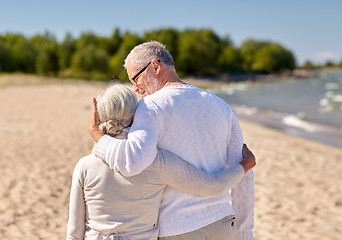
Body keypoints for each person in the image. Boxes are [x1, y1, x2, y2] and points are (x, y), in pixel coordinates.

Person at [89, 41, 255, 240]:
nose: (136, 89)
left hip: (179, 227)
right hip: (223, 222)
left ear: (155, 66)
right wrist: (245, 232)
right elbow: (243, 173)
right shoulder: (220, 105)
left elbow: (132, 161)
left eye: (135, 79)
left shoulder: (150, 107)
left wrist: (98, 136)